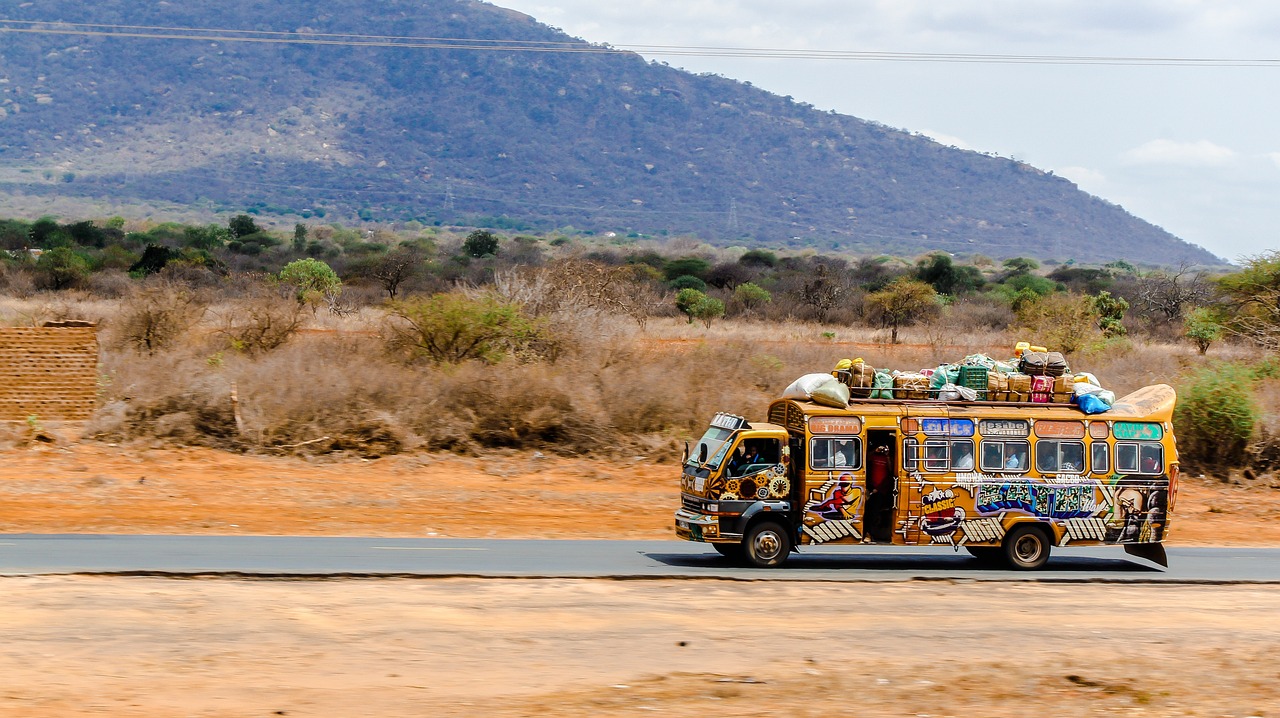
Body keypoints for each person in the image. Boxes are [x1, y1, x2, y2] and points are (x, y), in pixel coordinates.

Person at [864, 444, 892, 542]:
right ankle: (868, 534)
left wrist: (887, 455)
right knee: (868, 512)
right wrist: (875, 450)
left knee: (875, 513)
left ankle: (871, 534)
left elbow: (891, 469)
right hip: (871, 488)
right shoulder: (873, 456)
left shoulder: (886, 458)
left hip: (881, 490)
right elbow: (866, 459)